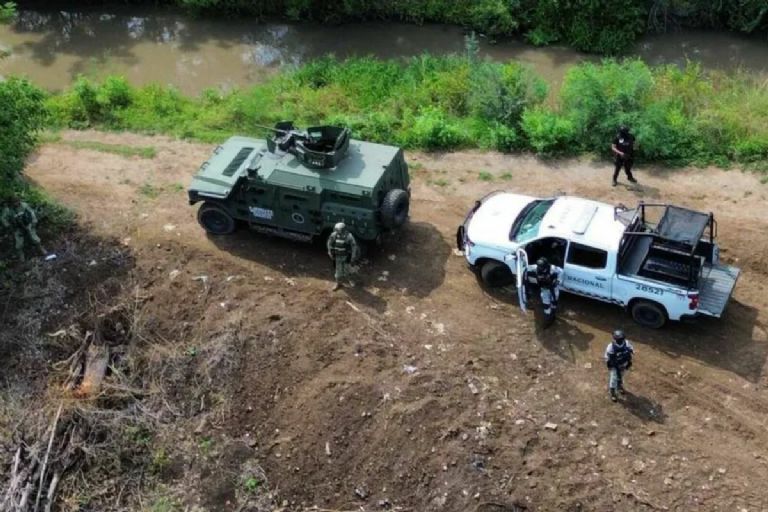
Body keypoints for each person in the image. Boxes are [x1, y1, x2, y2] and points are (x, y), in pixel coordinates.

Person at [1, 197, 46, 262]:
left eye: (17, 202)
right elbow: (3, 218)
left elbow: (32, 213)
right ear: (11, 203)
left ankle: (41, 249)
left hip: (28, 224)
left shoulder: (24, 205)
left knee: (34, 238)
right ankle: (21, 256)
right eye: (14, 203)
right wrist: (8, 225)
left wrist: (32, 223)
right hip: (17, 228)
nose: (16, 204)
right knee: (19, 243)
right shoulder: (8, 210)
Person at [326, 222, 359, 291]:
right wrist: (330, 252)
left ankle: (350, 280)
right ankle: (338, 283)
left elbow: (353, 246)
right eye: (336, 230)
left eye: (338, 230)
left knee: (347, 270)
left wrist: (353, 256)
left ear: (343, 229)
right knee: (338, 272)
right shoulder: (334, 235)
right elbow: (329, 242)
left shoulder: (349, 236)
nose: (337, 231)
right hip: (337, 256)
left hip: (346, 256)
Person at [604, 330, 635, 402]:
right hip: (615, 366)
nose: (621, 340)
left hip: (624, 363)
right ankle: (613, 393)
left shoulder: (626, 343)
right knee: (613, 379)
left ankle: (619, 386)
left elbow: (631, 349)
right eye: (619, 339)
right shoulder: (611, 346)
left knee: (621, 376)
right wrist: (610, 365)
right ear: (615, 339)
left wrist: (630, 353)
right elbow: (607, 357)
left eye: (622, 339)